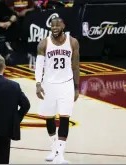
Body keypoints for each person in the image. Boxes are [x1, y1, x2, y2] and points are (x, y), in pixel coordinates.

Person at [35, 17, 80, 164]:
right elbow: (39, 65)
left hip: (66, 84)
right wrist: (37, 83)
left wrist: (77, 87)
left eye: (57, 25)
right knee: (49, 117)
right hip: (49, 84)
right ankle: (54, 147)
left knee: (64, 117)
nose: (54, 28)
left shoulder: (72, 42)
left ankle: (60, 154)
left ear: (63, 26)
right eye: (52, 26)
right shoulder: (44, 43)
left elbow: (75, 66)